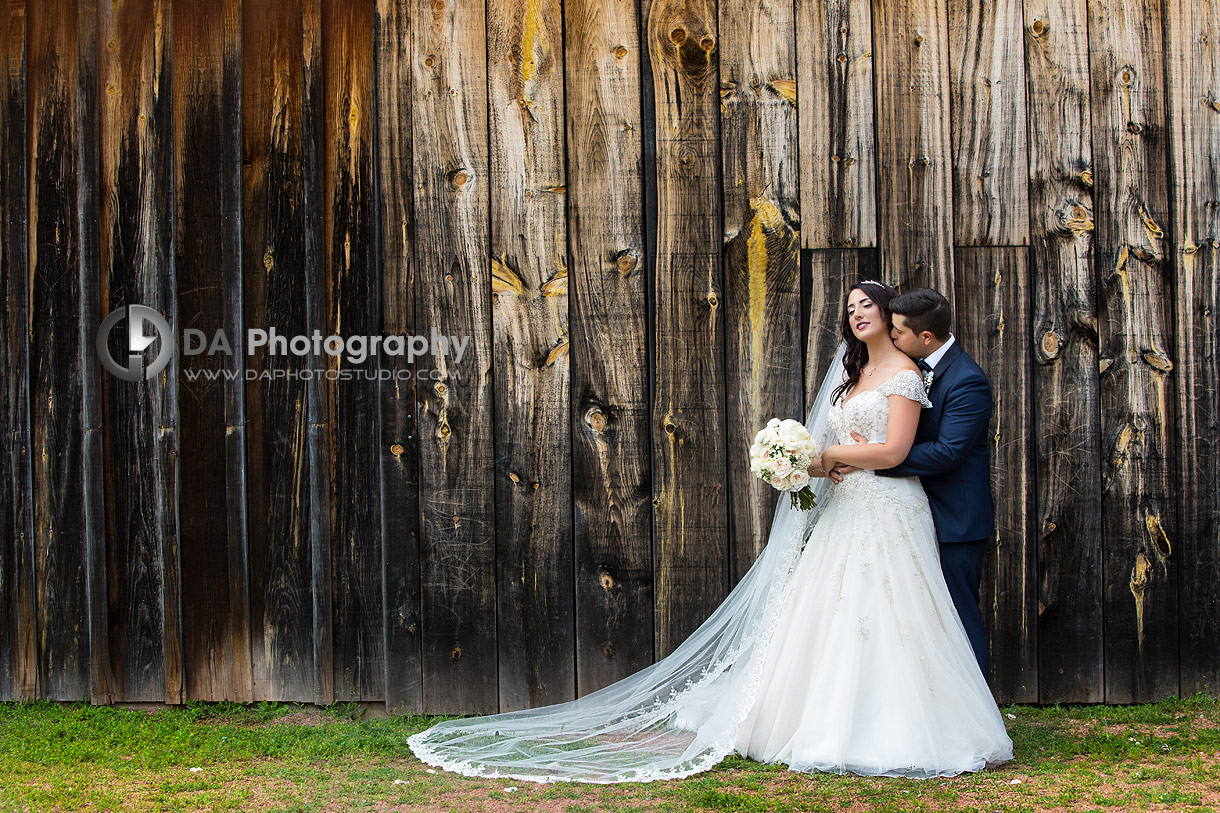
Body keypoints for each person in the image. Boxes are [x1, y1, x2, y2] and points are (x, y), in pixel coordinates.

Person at [407, 280, 1013, 784]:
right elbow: (853, 445)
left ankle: (909, 722)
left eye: (868, 308)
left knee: (903, 609)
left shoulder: (908, 375)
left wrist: (833, 455)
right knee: (829, 608)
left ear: (894, 320)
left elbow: (903, 448)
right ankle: (809, 713)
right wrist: (802, 459)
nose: (857, 316)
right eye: (849, 308)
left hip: (887, 506)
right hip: (848, 503)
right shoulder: (850, 380)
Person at [825, 288, 995, 683]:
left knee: (956, 616)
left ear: (925, 338)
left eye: (899, 331)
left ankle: (977, 709)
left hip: (955, 517)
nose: (894, 337)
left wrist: (871, 458)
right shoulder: (915, 367)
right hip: (905, 509)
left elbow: (948, 453)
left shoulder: (967, 380)